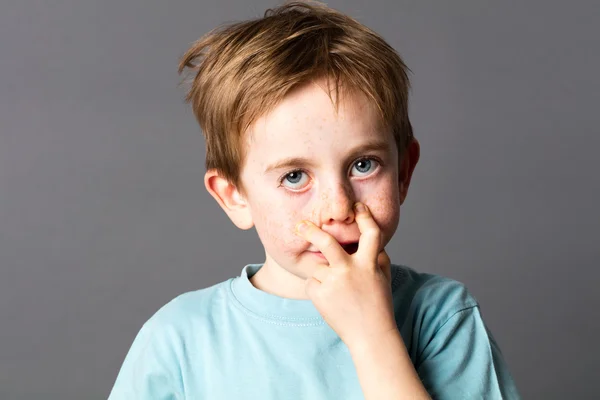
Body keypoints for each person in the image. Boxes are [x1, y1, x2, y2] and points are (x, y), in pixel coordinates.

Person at [108, 1, 521, 399]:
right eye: (294, 176)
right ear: (235, 196)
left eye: (363, 165)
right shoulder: (180, 338)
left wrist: (372, 335)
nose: (338, 207)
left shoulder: (442, 317)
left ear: (403, 173)